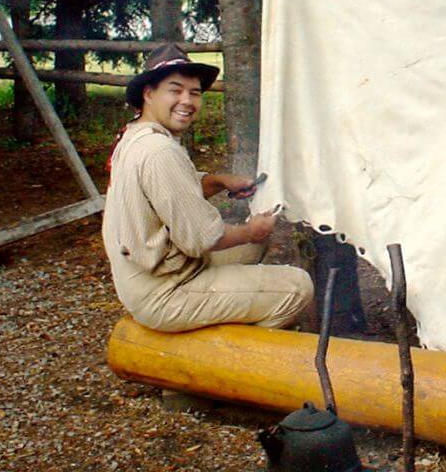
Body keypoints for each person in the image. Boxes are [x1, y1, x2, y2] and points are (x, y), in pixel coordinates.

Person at [102, 43, 313, 332]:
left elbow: (168, 194)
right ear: (148, 94)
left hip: (148, 273)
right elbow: (201, 239)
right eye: (175, 90)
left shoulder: (136, 135)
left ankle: (229, 314)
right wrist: (252, 230)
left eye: (195, 92)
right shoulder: (158, 151)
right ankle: (230, 357)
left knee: (254, 246)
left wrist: (218, 181)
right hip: (164, 291)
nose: (187, 101)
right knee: (298, 287)